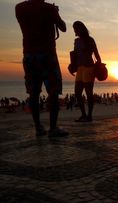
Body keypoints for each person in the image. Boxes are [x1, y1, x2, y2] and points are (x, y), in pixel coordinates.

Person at [15, 0, 68, 137]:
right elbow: (63, 27)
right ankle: (53, 128)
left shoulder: (19, 8)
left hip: (29, 56)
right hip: (48, 56)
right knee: (53, 92)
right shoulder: (49, 9)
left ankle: (38, 127)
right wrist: (55, 13)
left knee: (33, 93)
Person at [72, 21, 101, 122]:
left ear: (80, 29)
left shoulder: (90, 40)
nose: (74, 31)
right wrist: (72, 66)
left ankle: (89, 116)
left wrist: (99, 66)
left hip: (89, 68)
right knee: (77, 93)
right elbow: (75, 55)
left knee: (89, 93)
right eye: (74, 28)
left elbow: (97, 55)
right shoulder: (76, 41)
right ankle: (83, 115)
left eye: (75, 28)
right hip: (79, 69)